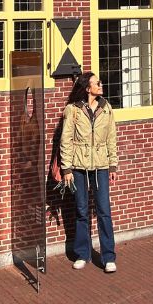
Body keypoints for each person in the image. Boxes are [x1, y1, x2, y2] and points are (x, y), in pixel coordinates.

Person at [60, 72, 118, 272]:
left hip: (101, 166)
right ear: (87, 88)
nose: (101, 85)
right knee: (82, 210)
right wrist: (66, 168)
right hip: (78, 167)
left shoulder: (106, 108)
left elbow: (111, 138)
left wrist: (112, 165)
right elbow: (65, 139)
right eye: (97, 83)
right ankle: (82, 254)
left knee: (104, 211)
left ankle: (108, 256)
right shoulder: (73, 110)